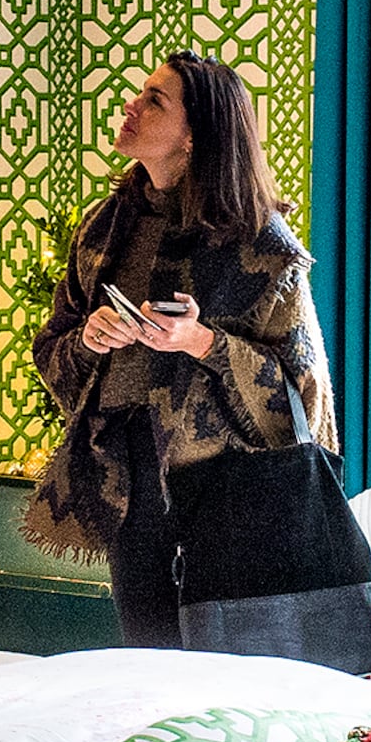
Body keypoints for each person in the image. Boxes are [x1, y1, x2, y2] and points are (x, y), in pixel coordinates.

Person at [27, 53, 338, 646]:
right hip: (126, 476)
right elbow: (52, 349)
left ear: (195, 135)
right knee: (148, 658)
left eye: (154, 100)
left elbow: (303, 398)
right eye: (140, 93)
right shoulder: (103, 227)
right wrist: (90, 340)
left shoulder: (262, 244)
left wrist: (202, 341)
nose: (131, 106)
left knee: (227, 667)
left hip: (230, 491)